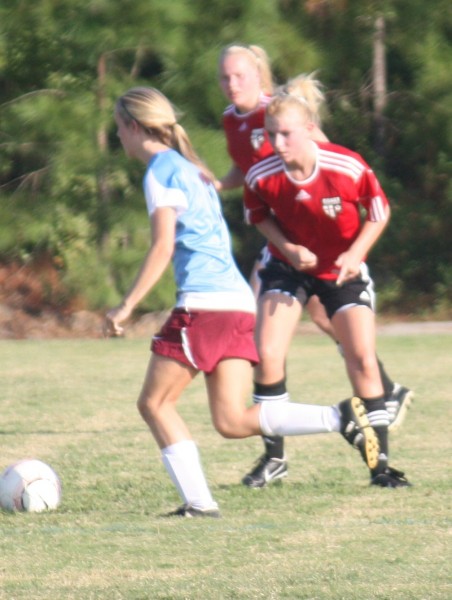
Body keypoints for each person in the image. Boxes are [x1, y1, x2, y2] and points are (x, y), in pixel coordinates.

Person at [104, 86, 385, 518]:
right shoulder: (191, 168)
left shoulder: (162, 171)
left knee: (154, 404)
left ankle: (199, 504)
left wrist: (125, 306)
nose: (116, 136)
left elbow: (162, 247)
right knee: (232, 421)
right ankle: (342, 417)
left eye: (118, 127)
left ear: (133, 126)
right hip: (236, 303)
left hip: (205, 304)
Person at [217, 45, 413, 487]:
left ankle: (379, 466)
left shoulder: (345, 166)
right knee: (266, 356)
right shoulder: (262, 174)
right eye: (271, 134)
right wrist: (287, 246)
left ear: (310, 130)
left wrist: (355, 253)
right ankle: (275, 460)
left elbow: (379, 211)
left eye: (286, 134)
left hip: (340, 271)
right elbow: (258, 216)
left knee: (362, 358)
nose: (277, 144)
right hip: (287, 269)